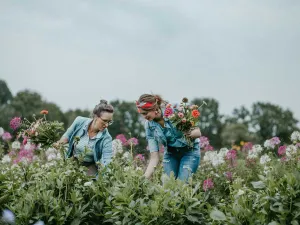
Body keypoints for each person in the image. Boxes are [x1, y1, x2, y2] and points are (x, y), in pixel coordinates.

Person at [136, 94, 201, 181]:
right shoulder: (149, 126)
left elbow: (198, 132)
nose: (144, 117)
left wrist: (190, 133)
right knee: (168, 187)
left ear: (154, 108)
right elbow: (154, 157)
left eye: (145, 113)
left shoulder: (175, 109)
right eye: (142, 114)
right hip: (171, 154)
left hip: (189, 152)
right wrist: (143, 179)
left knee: (182, 185)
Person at [56, 100, 114, 176]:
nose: (107, 125)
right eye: (105, 121)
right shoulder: (79, 121)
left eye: (109, 122)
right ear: (96, 116)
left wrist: (106, 175)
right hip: (73, 161)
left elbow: (107, 160)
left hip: (90, 167)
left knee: (88, 184)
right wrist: (59, 144)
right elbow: (67, 136)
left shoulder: (106, 138)